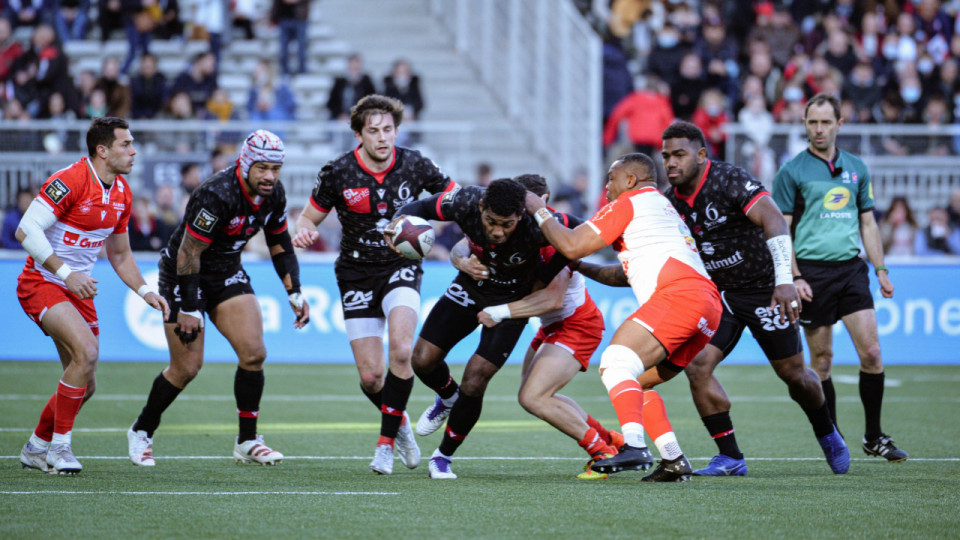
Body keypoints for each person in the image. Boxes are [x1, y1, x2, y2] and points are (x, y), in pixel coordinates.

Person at [660, 121, 848, 476]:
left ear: (701, 155)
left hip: (764, 290)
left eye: (679, 154)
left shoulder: (729, 179)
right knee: (697, 366)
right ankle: (731, 456)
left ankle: (827, 432)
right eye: (666, 155)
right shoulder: (669, 202)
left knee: (794, 375)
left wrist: (785, 280)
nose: (671, 162)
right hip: (719, 297)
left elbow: (774, 219)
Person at [525, 153, 722, 482]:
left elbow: (571, 244)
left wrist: (538, 209)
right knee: (636, 382)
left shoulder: (628, 202)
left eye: (611, 178)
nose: (606, 187)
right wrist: (581, 267)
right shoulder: (658, 207)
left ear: (630, 180)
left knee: (615, 362)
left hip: (681, 296)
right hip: (707, 306)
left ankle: (634, 446)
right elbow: (622, 275)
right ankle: (673, 459)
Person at [292, 94, 456, 475]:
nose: (382, 137)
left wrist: (447, 230)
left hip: (401, 266)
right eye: (374, 131)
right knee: (370, 378)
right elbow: (308, 218)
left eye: (388, 130)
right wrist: (303, 231)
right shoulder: (337, 172)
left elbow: (455, 196)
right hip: (356, 272)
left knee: (401, 349)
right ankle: (399, 424)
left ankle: (384, 446)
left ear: (396, 131)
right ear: (358, 135)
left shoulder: (415, 163)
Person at [126, 129, 309, 467]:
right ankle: (142, 429)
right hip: (184, 273)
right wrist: (190, 307)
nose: (270, 176)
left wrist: (294, 291)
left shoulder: (274, 193)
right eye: (263, 168)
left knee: (254, 353)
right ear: (245, 164)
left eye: (276, 169)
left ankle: (247, 441)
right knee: (186, 368)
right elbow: (188, 253)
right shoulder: (216, 193)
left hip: (225, 271)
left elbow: (280, 243)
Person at [385, 177, 575, 479]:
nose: (498, 231)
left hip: (513, 301)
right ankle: (449, 396)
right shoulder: (465, 201)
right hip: (471, 286)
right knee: (422, 359)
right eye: (491, 222)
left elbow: (581, 234)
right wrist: (395, 226)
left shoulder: (540, 222)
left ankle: (443, 457)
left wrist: (545, 274)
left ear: (521, 215)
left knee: (475, 379)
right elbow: (420, 207)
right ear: (481, 207)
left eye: (507, 224)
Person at [16, 117, 169, 474]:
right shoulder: (70, 179)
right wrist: (66, 274)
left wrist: (144, 290)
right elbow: (27, 229)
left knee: (85, 384)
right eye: (125, 144)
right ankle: (60, 450)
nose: (133, 151)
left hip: (77, 290)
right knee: (86, 352)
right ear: (102, 150)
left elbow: (120, 254)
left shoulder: (122, 193)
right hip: (43, 282)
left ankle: (35, 447)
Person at [772, 93, 908, 462]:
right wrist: (793, 276)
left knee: (872, 352)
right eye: (812, 122)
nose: (819, 129)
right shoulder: (791, 171)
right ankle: (834, 437)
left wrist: (881, 270)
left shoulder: (856, 168)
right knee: (823, 361)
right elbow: (781, 230)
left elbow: (868, 223)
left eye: (826, 122)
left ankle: (874, 436)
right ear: (805, 124)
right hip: (811, 274)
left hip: (850, 270)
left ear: (839, 125)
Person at [474, 174, 622, 480]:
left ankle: (601, 453)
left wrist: (499, 312)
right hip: (553, 326)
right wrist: (461, 260)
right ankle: (611, 440)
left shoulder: (554, 238)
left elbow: (552, 299)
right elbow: (463, 246)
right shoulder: (516, 232)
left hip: (577, 324)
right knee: (534, 395)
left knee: (534, 397)